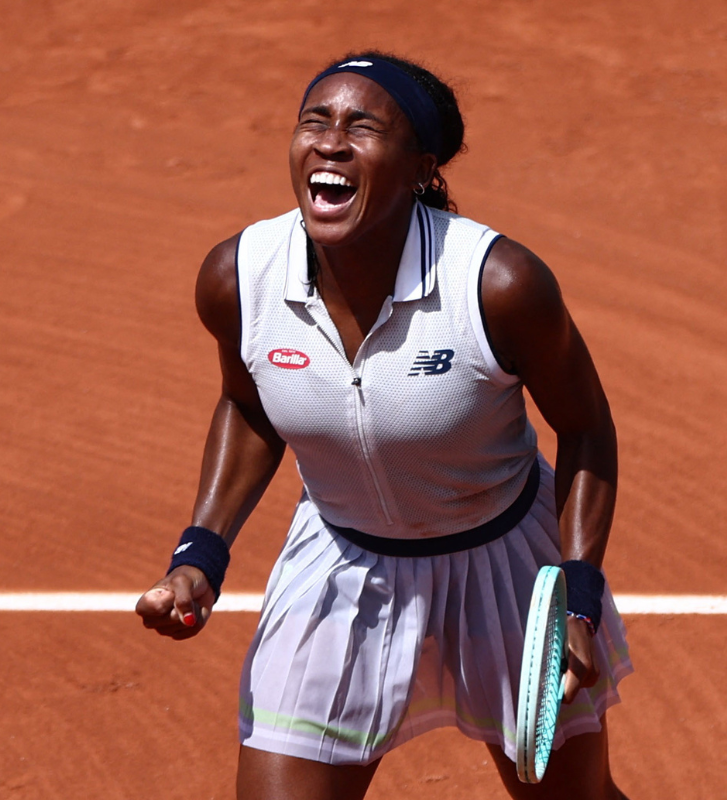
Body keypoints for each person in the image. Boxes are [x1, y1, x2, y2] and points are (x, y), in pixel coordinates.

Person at [136, 52, 633, 800]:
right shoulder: (240, 278)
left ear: (420, 169)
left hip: (507, 571)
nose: (330, 142)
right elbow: (248, 404)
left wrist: (579, 600)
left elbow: (587, 430)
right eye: (315, 120)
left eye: (362, 127)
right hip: (342, 569)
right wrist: (200, 553)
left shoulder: (497, 286)